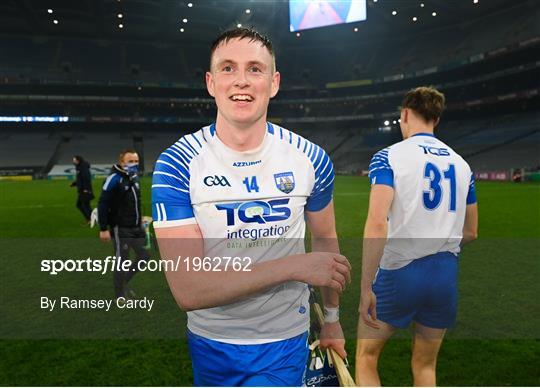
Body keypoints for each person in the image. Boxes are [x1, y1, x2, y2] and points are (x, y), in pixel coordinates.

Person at [152, 28, 351, 387]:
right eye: (228, 68)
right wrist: (294, 266)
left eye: (255, 69)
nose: (241, 80)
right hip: (210, 340)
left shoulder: (310, 159)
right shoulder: (177, 165)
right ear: (211, 83)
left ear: (274, 82)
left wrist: (333, 317)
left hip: (284, 340)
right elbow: (188, 289)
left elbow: (325, 240)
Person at [355, 86, 479, 386]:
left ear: (405, 114)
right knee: (425, 366)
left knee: (366, 357)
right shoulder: (462, 165)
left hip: (401, 272)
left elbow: (376, 223)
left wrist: (366, 286)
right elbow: (471, 232)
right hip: (444, 275)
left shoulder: (389, 156)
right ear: (436, 120)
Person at [98, 149, 149, 299]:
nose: (134, 164)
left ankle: (124, 282)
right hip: (121, 228)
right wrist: (103, 228)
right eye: (130, 161)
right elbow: (103, 203)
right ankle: (119, 295)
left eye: (136, 161)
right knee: (122, 261)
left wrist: (140, 219)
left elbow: (135, 202)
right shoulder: (114, 178)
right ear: (122, 162)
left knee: (144, 256)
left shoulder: (134, 177)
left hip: (136, 227)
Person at [71, 155, 94, 224]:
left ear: (78, 160)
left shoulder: (83, 167)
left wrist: (86, 189)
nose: (73, 161)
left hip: (85, 190)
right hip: (82, 190)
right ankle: (91, 219)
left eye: (74, 160)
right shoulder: (79, 167)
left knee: (81, 205)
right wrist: (74, 184)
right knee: (84, 205)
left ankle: (90, 219)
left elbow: (87, 178)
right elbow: (80, 178)